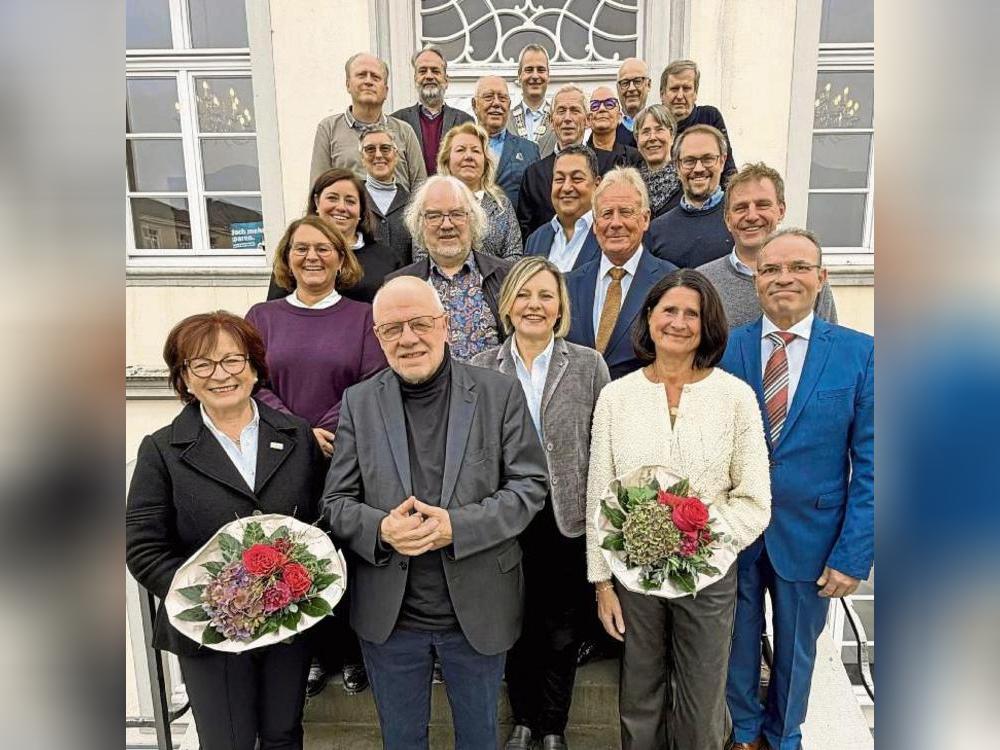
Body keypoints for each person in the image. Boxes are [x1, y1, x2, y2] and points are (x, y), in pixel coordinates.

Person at [320, 275, 548, 750]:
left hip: (479, 608)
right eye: (392, 329)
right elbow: (336, 503)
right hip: (390, 613)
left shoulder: (498, 393)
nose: (408, 338)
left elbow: (529, 487)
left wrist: (456, 527)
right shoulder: (359, 403)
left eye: (420, 323)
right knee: (401, 741)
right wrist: (380, 529)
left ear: (444, 325)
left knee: (479, 739)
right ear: (377, 337)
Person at [586, 270, 772, 750]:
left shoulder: (735, 397)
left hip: (708, 578)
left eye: (693, 313)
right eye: (669, 310)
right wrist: (603, 583)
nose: (679, 322)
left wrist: (698, 540)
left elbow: (754, 499)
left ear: (707, 326)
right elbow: (599, 494)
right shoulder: (616, 396)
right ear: (648, 318)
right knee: (640, 697)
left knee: (702, 702)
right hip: (634, 576)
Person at [126, 311, 327, 750]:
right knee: (227, 742)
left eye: (232, 360)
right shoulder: (161, 449)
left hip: (286, 619)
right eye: (202, 364)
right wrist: (215, 598)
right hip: (208, 629)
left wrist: (299, 583)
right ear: (185, 378)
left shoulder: (295, 436)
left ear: (254, 367)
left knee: (282, 735)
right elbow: (143, 546)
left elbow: (320, 521)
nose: (221, 375)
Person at [722, 229, 873, 750]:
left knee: (796, 653)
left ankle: (783, 736)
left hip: (813, 535)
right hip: (735, 533)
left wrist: (854, 554)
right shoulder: (730, 347)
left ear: (821, 278)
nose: (784, 278)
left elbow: (874, 465)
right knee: (734, 644)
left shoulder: (861, 354)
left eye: (798, 267)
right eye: (770, 270)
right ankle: (742, 734)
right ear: (757, 281)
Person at [471, 257, 610, 750]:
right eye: (524, 295)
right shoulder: (482, 367)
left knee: (561, 628)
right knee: (515, 623)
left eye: (545, 296)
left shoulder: (589, 365)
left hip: (565, 516)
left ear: (560, 308)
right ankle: (524, 720)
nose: (534, 305)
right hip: (505, 516)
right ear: (507, 304)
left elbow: (603, 442)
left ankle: (552, 727)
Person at [249, 215, 387, 697]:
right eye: (301, 248)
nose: (312, 257)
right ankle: (311, 655)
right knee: (294, 551)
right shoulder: (262, 317)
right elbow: (253, 383)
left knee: (346, 552)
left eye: (324, 248)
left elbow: (371, 380)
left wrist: (323, 429)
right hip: (281, 455)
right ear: (287, 257)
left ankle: (350, 651)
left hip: (345, 452)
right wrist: (299, 431)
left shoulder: (362, 316)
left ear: (341, 257)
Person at [564, 167, 677, 380]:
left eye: (626, 212)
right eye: (606, 214)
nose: (615, 223)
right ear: (596, 225)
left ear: (645, 219)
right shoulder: (568, 285)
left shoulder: (671, 284)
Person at [697, 163, 838, 329]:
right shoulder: (703, 281)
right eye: (741, 208)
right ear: (728, 219)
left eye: (762, 205)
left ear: (781, 211)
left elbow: (829, 343)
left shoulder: (807, 277)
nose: (751, 216)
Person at [388, 175, 512, 361]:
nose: (446, 225)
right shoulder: (397, 286)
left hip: (492, 389)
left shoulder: (508, 277)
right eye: (434, 215)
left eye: (457, 214)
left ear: (473, 220)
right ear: (420, 224)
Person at [267, 168, 411, 305]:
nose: (341, 207)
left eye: (350, 201)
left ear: (361, 209)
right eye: (332, 198)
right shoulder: (296, 255)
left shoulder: (387, 259)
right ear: (317, 202)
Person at [518, 85, 642, 239]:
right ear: (551, 121)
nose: (567, 118)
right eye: (561, 111)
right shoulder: (533, 175)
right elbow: (526, 232)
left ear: (588, 120)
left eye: (575, 111)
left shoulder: (611, 167)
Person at [309, 52, 426, 190]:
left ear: (386, 90)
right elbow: (318, 188)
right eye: (361, 75)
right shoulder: (328, 129)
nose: (368, 81)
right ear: (348, 85)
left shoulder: (404, 131)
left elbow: (421, 190)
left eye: (375, 77)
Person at [646, 124, 734, 268]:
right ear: (677, 166)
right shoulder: (656, 231)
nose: (698, 168)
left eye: (708, 159)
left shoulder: (741, 220)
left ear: (722, 161)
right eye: (689, 161)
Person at [433, 121, 522, 260]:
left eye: (475, 150)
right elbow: (422, 256)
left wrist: (487, 279)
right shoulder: (431, 202)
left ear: (486, 162)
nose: (468, 156)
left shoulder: (502, 205)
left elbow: (514, 255)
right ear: (446, 160)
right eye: (460, 150)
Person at [391, 45, 473, 177]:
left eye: (435, 71)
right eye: (423, 71)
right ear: (415, 79)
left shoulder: (465, 122)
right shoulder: (397, 121)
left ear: (446, 81)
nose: (429, 76)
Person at [523, 143, 602, 272]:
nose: (566, 188)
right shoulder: (535, 240)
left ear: (597, 185)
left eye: (576, 179)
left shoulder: (609, 234)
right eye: (559, 179)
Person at [659, 59, 737, 183]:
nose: (680, 96)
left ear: (695, 93)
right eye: (674, 89)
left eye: (686, 89)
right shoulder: (653, 127)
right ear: (662, 95)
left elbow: (728, 170)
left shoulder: (710, 118)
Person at [471, 75, 540, 208]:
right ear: (474, 105)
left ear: (509, 105)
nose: (496, 103)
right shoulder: (459, 148)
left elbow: (535, 205)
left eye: (502, 98)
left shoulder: (529, 151)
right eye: (488, 97)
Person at [359, 126, 413, 265]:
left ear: (396, 155)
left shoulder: (413, 204)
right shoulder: (353, 200)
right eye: (370, 149)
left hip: (403, 284)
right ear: (362, 158)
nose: (378, 155)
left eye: (385, 148)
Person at [633, 104, 682, 218]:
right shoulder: (632, 186)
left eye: (659, 130)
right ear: (637, 141)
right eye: (646, 132)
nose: (652, 137)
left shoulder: (687, 181)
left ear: (672, 136)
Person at [507, 44, 556, 157]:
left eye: (541, 70)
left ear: (548, 76)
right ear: (519, 76)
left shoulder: (560, 119)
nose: (535, 75)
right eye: (529, 70)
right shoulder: (505, 120)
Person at [586, 86, 640, 155]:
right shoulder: (578, 156)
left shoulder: (634, 157)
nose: (602, 109)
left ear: (619, 117)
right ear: (588, 119)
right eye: (595, 105)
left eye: (609, 104)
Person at [616, 57, 651, 140]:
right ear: (618, 88)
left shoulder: (659, 126)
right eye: (625, 83)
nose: (631, 88)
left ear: (649, 85)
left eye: (637, 81)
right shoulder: (610, 132)